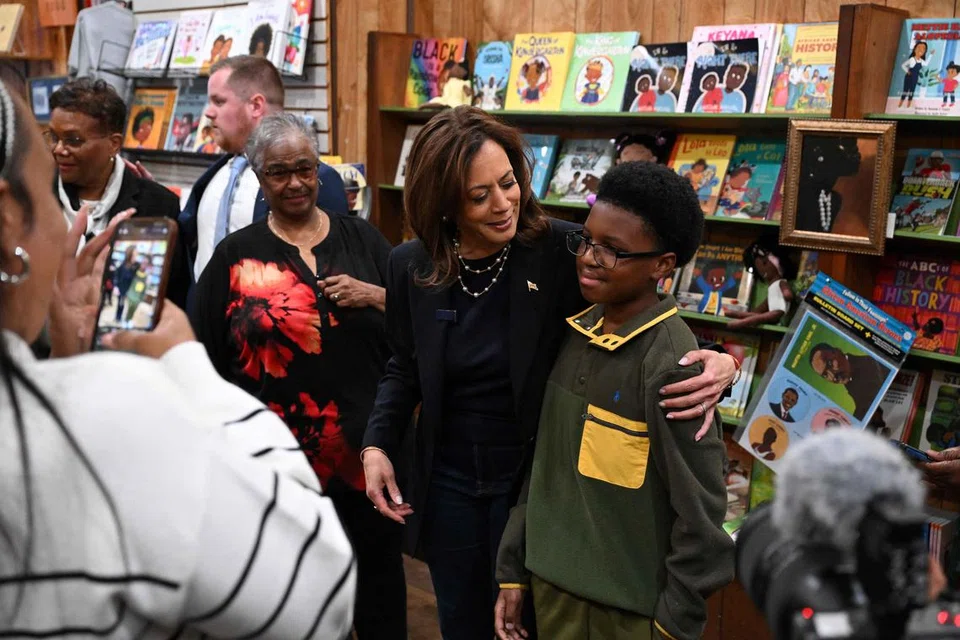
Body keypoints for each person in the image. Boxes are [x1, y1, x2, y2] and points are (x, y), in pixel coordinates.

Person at [360, 106, 739, 639]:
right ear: (444, 203)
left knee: (530, 625)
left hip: (534, 482)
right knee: (462, 620)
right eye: (479, 195)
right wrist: (376, 444)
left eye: (508, 182)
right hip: (448, 482)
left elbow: (641, 301)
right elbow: (403, 366)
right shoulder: (410, 266)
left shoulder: (563, 249)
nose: (503, 204)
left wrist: (723, 361)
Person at [0, 78, 355, 637]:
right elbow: (316, 592)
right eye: (47, 185)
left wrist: (69, 362)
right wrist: (186, 364)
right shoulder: (112, 426)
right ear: (8, 220)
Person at [493, 161, 734, 640]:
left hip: (626, 613)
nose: (589, 258)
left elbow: (702, 513)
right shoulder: (575, 332)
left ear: (663, 265)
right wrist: (513, 566)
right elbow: (545, 467)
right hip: (550, 589)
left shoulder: (674, 367)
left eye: (613, 251)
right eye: (586, 240)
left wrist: (673, 623)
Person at [190, 113, 406, 638]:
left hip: (368, 457)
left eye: (305, 169)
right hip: (277, 464)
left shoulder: (364, 240)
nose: (295, 183)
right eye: (279, 172)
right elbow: (202, 356)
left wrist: (375, 295)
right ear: (259, 177)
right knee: (295, 599)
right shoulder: (234, 256)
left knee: (378, 595)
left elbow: (415, 325)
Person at [176, 55, 348, 287]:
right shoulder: (215, 177)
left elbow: (330, 271)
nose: (208, 112)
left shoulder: (317, 180)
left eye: (219, 101)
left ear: (256, 106)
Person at [47, 78, 189, 308]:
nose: (59, 149)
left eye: (73, 140)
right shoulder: (31, 195)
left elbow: (169, 296)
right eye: (54, 137)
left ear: (114, 144)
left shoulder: (158, 206)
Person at [808, 343, 887, 421]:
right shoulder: (851, 382)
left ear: (838, 351)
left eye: (830, 363)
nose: (833, 376)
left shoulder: (871, 365)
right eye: (825, 374)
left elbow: (868, 401)